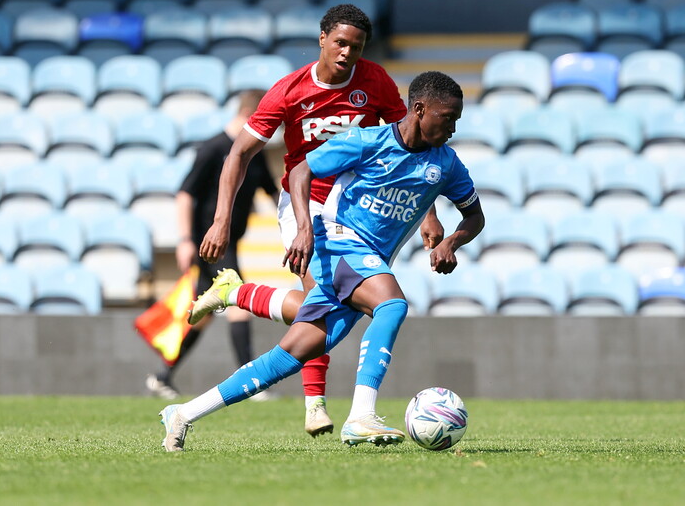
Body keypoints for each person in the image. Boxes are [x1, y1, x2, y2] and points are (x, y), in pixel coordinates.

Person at [159, 70, 484, 452]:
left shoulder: (446, 164)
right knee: (392, 305)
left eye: (457, 120)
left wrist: (453, 242)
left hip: (369, 259)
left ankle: (183, 413)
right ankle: (361, 415)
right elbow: (301, 170)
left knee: (290, 356)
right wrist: (304, 228)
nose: (453, 128)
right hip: (338, 242)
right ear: (419, 109)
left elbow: (474, 216)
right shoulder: (368, 141)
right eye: (448, 119)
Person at [194, 4, 445, 437]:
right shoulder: (288, 91)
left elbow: (410, 148)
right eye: (341, 43)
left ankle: (238, 292)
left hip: (357, 211)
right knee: (321, 297)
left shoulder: (377, 82)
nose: (348, 53)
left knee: (326, 309)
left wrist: (429, 212)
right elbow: (239, 152)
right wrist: (221, 220)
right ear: (323, 39)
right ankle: (317, 406)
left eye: (357, 46)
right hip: (303, 202)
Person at [145, 89, 279, 401]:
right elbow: (185, 195)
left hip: (228, 243)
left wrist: (297, 227)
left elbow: (272, 193)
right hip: (211, 243)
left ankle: (162, 376)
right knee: (240, 304)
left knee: (202, 317)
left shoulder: (253, 154)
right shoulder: (214, 148)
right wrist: (184, 241)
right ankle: (252, 382)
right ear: (251, 117)